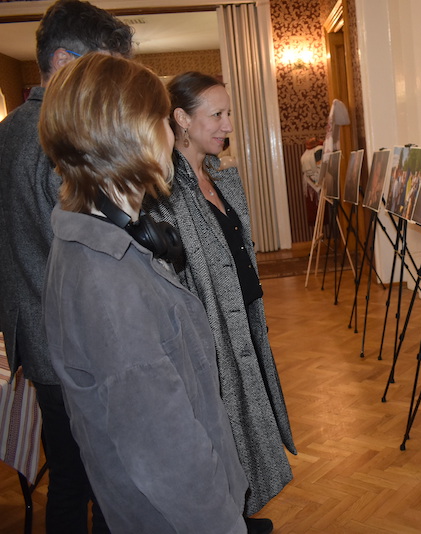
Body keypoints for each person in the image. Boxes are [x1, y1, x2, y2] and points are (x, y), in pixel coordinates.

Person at [39, 53, 253, 534]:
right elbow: (165, 452)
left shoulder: (99, 242)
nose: (171, 135)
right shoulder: (107, 281)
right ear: (131, 134)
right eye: (162, 120)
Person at [0, 2, 133, 531]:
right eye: (104, 70)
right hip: (76, 338)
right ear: (63, 62)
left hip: (34, 334)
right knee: (105, 481)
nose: (109, 87)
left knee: (69, 480)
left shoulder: (8, 130)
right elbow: (87, 250)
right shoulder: (57, 136)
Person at [146, 71, 296, 518]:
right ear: (181, 119)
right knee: (222, 426)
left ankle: (243, 511)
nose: (228, 125)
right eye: (217, 115)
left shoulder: (222, 179)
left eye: (228, 113)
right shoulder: (164, 193)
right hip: (209, 332)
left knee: (247, 420)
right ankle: (228, 516)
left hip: (244, 318)